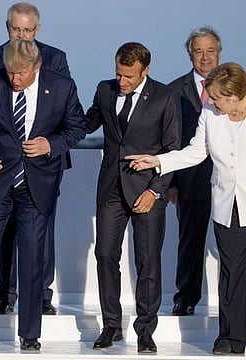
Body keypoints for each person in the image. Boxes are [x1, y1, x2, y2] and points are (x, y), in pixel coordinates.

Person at [0, 39, 86, 350]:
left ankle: (30, 334)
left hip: (37, 183)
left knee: (32, 258)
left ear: (36, 66)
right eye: (10, 72)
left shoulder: (62, 87)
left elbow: (77, 127)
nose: (15, 79)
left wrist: (50, 145)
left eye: (21, 73)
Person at [127, 62, 246, 356]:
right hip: (226, 204)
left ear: (234, 96)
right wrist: (158, 161)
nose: (211, 103)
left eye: (217, 98)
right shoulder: (210, 114)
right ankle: (231, 337)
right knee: (231, 273)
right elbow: (196, 151)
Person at [85, 42, 181, 353]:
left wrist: (156, 191)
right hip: (111, 187)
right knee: (104, 256)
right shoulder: (104, 89)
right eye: (118, 74)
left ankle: (145, 330)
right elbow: (86, 123)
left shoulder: (166, 97)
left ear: (145, 71)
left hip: (148, 190)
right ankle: (111, 325)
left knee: (147, 261)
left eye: (129, 76)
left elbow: (173, 150)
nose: (122, 81)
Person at [0, 1, 71, 316]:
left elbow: (67, 111)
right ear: (7, 28)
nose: (22, 35)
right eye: (16, 29)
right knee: (0, 233)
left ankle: (41, 296)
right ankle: (5, 295)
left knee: (41, 233)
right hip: (2, 168)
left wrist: (51, 144)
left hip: (43, 165)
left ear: (37, 29)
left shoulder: (56, 58)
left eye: (27, 30)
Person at [168, 26, 221, 316]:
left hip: (231, 178)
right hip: (190, 179)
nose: (205, 57)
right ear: (190, 54)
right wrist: (172, 182)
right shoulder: (175, 90)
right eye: (198, 51)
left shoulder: (237, 85)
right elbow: (171, 139)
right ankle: (186, 298)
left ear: (219, 53)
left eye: (210, 51)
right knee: (190, 240)